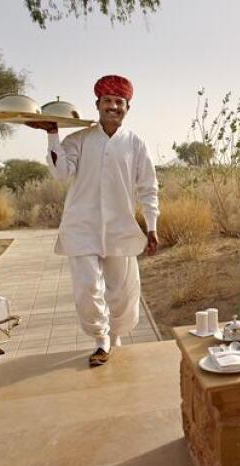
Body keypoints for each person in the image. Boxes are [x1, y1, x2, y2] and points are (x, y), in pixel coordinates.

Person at [27, 75, 159, 367]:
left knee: (123, 292)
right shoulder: (79, 139)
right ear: (97, 105)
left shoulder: (135, 144)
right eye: (107, 101)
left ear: (127, 107)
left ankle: (116, 336)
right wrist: (52, 135)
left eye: (119, 102)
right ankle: (101, 339)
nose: (113, 107)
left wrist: (152, 226)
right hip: (81, 226)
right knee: (87, 287)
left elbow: (148, 188)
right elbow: (61, 173)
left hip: (120, 228)